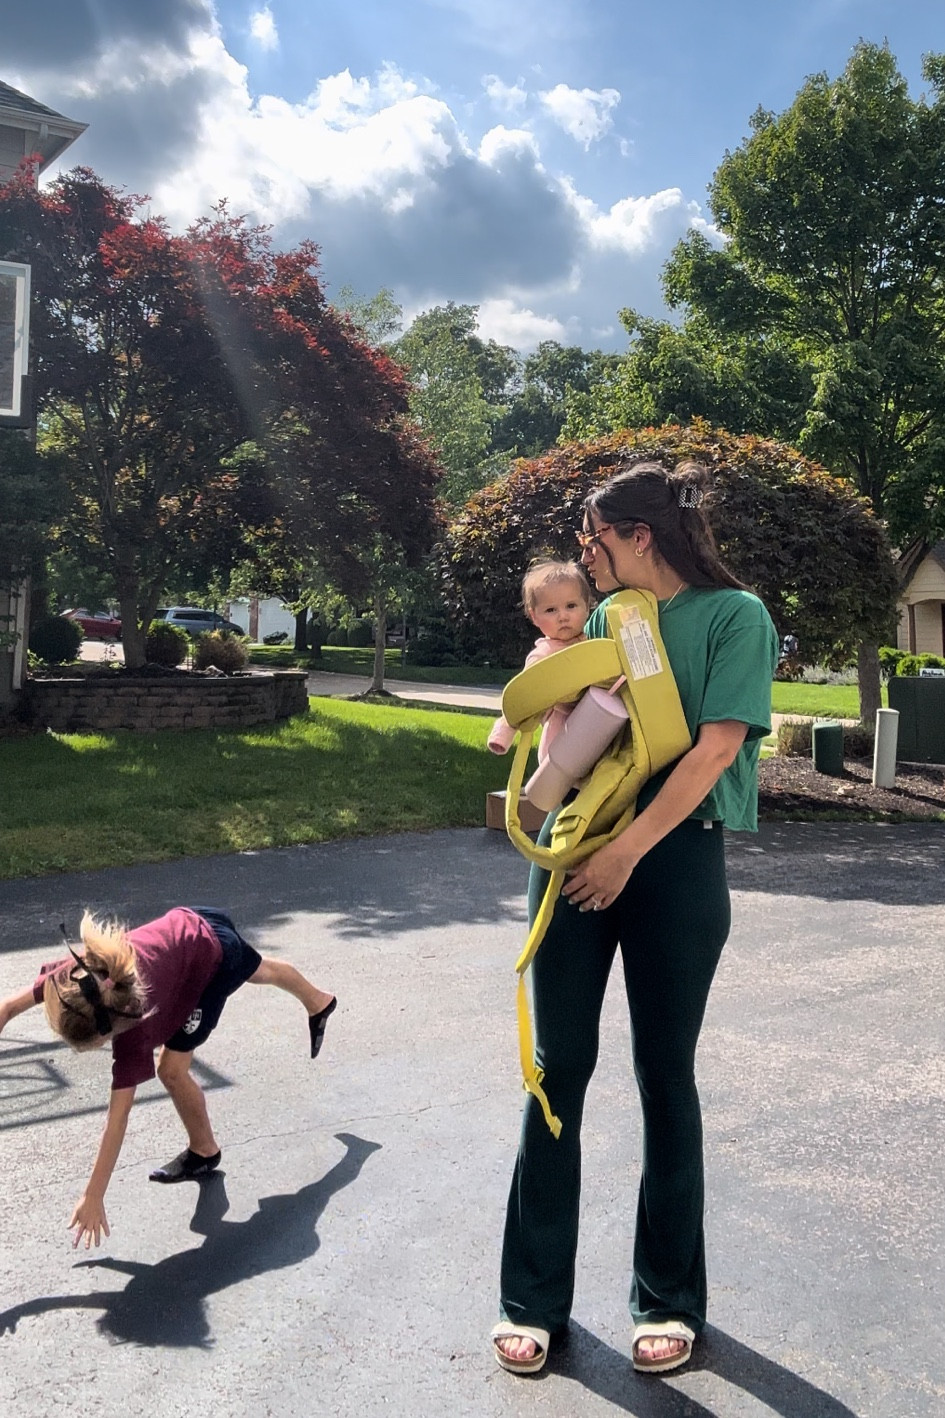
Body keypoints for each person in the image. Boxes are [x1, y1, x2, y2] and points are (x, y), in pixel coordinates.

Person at [492, 458, 779, 1377]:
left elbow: (713, 751)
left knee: (665, 1076)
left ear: (636, 536)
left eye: (593, 540)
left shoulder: (735, 618)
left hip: (673, 861)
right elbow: (584, 724)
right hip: (582, 848)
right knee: (554, 1072)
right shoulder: (610, 619)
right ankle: (530, 1299)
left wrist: (628, 854)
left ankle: (668, 1299)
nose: (584, 560)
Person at [0, 905, 337, 1248]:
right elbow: (7, 1008)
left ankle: (204, 1151)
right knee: (257, 970)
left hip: (212, 961)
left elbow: (117, 1121)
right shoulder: (82, 978)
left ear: (108, 1033)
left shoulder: (134, 1031)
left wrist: (93, 1195)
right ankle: (319, 1002)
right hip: (193, 921)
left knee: (171, 1071)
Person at [488, 558, 593, 758]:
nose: (563, 616)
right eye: (551, 610)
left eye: (571, 606)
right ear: (534, 616)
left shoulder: (592, 640)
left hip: (596, 721)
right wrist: (504, 731)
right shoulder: (544, 653)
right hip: (562, 730)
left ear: (587, 606)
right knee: (561, 777)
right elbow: (521, 697)